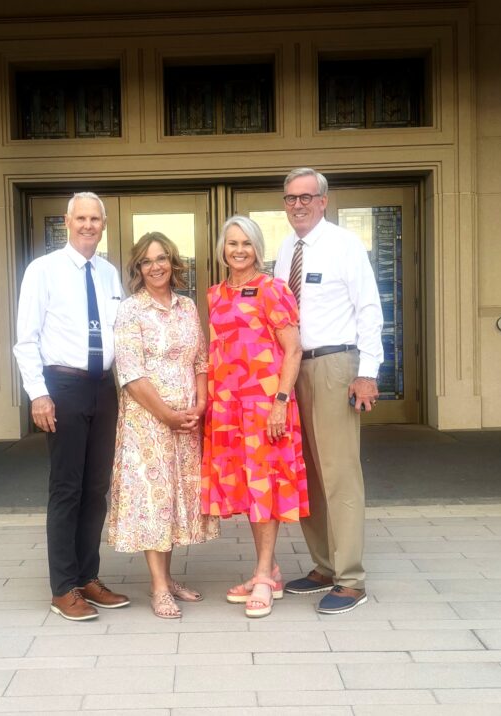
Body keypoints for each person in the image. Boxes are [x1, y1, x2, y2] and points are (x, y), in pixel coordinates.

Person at [13, 191, 130, 621]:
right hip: (62, 386)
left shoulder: (109, 273)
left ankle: (87, 577)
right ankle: (63, 588)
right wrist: (38, 394)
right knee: (67, 488)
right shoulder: (42, 270)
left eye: (94, 219)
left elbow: (121, 333)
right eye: (80, 218)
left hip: (103, 388)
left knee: (96, 489)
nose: (87, 225)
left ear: (103, 224)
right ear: (67, 222)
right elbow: (26, 339)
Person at [274, 168, 384, 614]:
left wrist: (368, 372)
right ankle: (324, 565)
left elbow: (369, 308)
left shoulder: (344, 245)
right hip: (294, 369)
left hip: (335, 366)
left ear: (323, 200)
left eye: (306, 197)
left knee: (339, 473)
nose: (298, 205)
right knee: (308, 473)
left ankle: (351, 578)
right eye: (291, 198)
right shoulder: (286, 249)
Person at [108, 232, 219, 619]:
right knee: (153, 499)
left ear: (173, 262)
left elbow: (201, 360)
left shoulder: (186, 307)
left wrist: (200, 405)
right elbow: (130, 373)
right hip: (147, 422)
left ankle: (168, 578)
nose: (155, 266)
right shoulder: (130, 311)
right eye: (147, 261)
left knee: (172, 499)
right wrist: (167, 415)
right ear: (138, 268)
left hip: (186, 422)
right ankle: (158, 588)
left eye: (161, 258)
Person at [202, 215, 308, 618]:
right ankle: (271, 570)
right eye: (232, 243)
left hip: (265, 407)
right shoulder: (215, 295)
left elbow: (293, 350)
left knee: (265, 486)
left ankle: (263, 575)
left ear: (258, 248)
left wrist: (280, 400)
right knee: (249, 488)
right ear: (222, 249)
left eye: (246, 243)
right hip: (228, 408)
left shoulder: (273, 290)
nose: (239, 250)